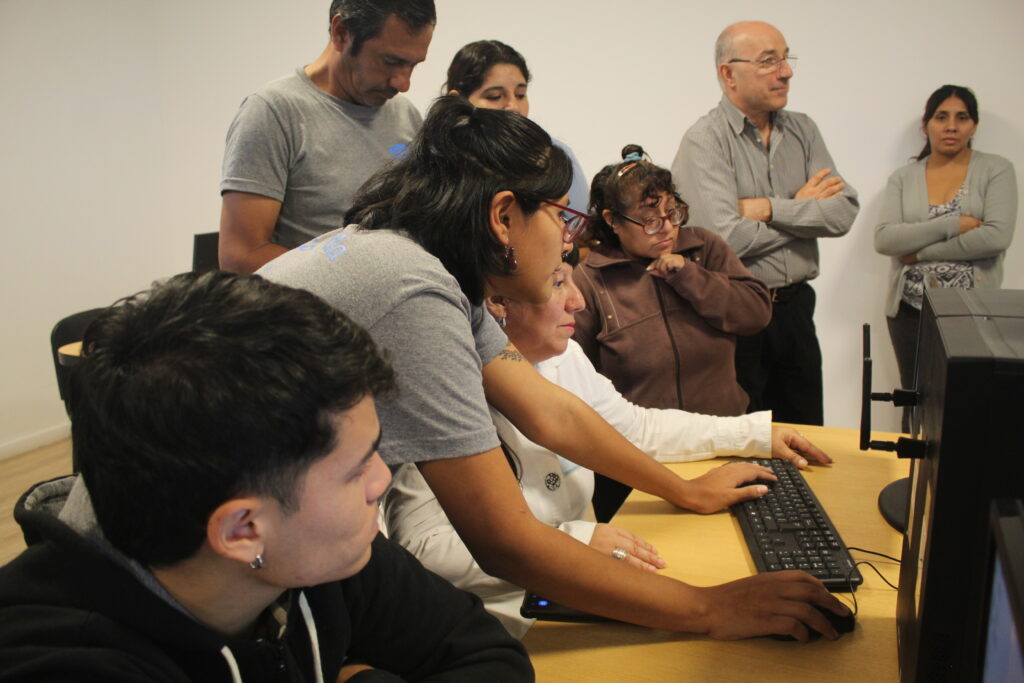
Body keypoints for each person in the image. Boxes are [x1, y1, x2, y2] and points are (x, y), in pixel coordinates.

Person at [259, 95, 850, 641]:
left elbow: (553, 413)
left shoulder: (421, 263)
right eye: (561, 218)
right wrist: (709, 609)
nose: (569, 243)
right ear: (502, 217)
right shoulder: (410, 288)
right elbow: (501, 540)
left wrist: (685, 491)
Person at [0, 272, 533, 681]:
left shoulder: (316, 551)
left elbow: (485, 653)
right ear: (241, 531)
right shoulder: (65, 663)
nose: (380, 480)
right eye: (356, 469)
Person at [387, 251, 831, 637]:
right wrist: (572, 540)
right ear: (497, 302)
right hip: (510, 633)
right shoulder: (439, 392)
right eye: (557, 282)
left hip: (582, 602)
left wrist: (751, 434)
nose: (578, 300)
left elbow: (633, 429)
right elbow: (422, 547)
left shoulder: (561, 358)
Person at [672, 21, 859, 426]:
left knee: (808, 436)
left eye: (786, 58)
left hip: (796, 310)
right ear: (728, 74)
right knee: (746, 440)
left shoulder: (803, 130)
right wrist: (805, 210)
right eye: (768, 61)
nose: (786, 71)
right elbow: (726, 238)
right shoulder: (705, 140)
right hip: (736, 318)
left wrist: (769, 208)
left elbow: (844, 212)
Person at [575, 145, 773, 520]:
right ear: (613, 221)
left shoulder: (704, 248)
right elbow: (575, 381)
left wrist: (689, 276)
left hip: (724, 440)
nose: (666, 228)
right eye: (649, 220)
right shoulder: (590, 281)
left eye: (673, 213)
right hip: (641, 463)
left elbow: (755, 313)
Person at [219, 0, 435, 274]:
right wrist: (360, 283)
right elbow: (241, 256)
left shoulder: (406, 116)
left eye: (414, 65)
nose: (403, 83)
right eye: (391, 61)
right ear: (341, 32)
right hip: (317, 312)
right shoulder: (274, 112)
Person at [874, 85, 1017, 432]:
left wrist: (920, 251)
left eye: (962, 117)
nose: (951, 126)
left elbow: (996, 236)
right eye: (941, 117)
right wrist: (956, 224)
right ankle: (908, 480)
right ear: (926, 125)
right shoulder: (904, 178)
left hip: (973, 312)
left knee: (967, 403)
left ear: (974, 126)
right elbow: (886, 238)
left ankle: (959, 484)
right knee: (914, 401)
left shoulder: (996, 170)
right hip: (910, 312)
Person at [444, 39, 589, 213]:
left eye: (520, 95)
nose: (513, 106)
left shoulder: (555, 155)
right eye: (495, 96)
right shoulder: (437, 160)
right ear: (456, 101)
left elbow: (578, 226)